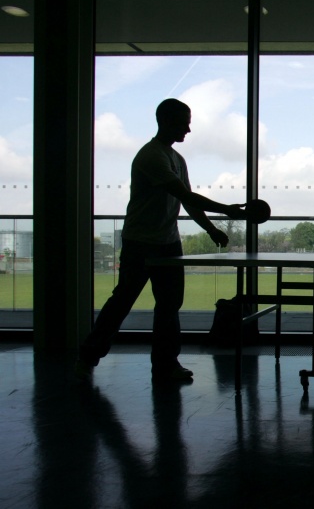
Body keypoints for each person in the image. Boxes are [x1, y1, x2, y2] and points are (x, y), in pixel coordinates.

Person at [76, 98, 252, 382]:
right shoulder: (152, 157)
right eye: (184, 123)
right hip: (141, 242)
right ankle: (90, 357)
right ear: (165, 121)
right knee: (125, 302)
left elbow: (188, 202)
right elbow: (187, 197)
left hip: (165, 241)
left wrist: (210, 228)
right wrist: (228, 211)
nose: (188, 130)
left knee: (166, 306)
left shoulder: (176, 159)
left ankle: (164, 365)